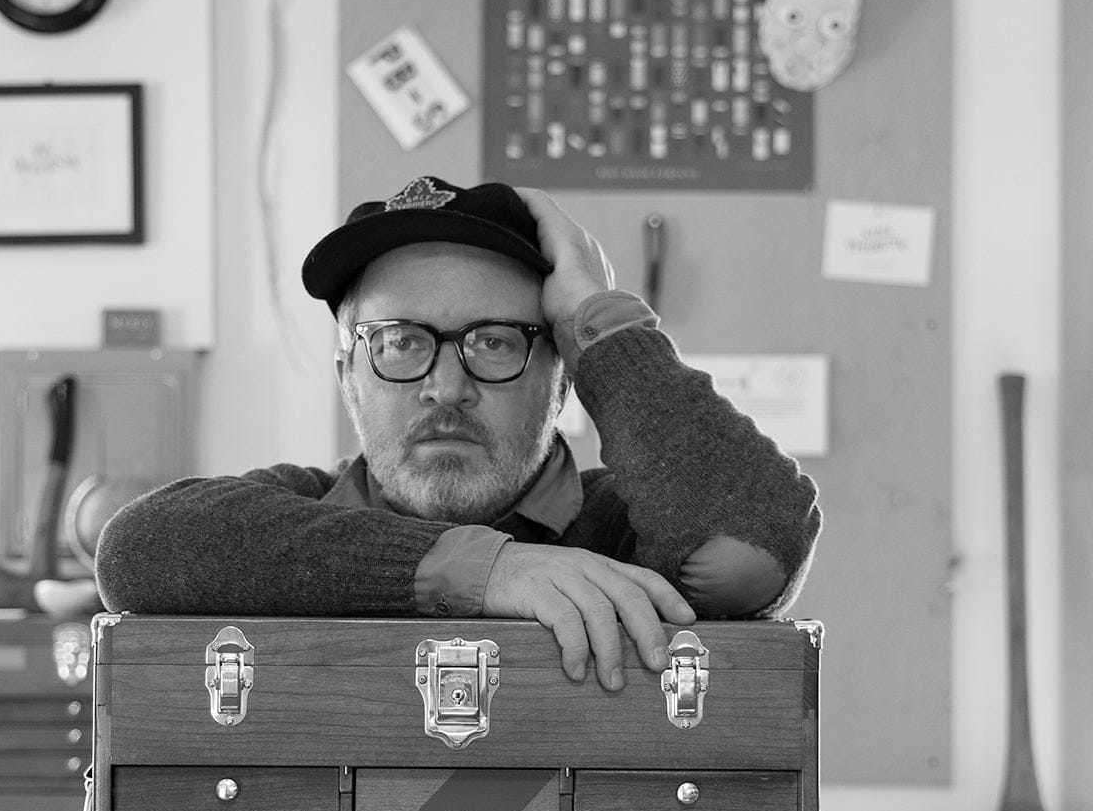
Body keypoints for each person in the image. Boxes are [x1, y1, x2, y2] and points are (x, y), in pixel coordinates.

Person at [95, 175, 821, 690]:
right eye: (400, 342)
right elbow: (136, 551)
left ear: (563, 376)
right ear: (350, 375)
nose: (446, 386)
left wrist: (602, 324)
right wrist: (487, 570)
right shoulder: (296, 514)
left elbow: (745, 555)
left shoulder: (625, 532)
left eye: (496, 342)